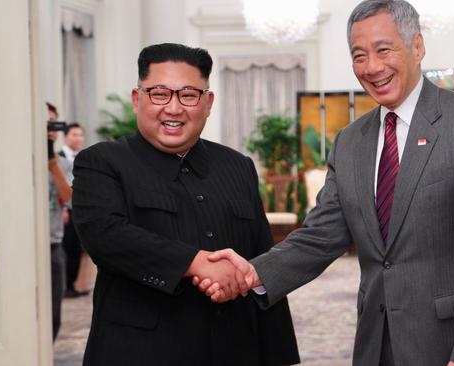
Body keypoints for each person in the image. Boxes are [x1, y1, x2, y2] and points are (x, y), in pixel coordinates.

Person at [197, 1, 454, 365]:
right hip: (375, 344)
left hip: (449, 346)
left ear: (417, 47)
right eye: (359, 55)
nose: (372, 67)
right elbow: (321, 235)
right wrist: (251, 272)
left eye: (384, 50)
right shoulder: (350, 141)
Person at [71, 43, 299, 366]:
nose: (174, 108)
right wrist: (196, 262)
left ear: (207, 103)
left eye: (189, 95)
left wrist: (279, 354)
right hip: (140, 352)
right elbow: (106, 236)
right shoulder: (102, 163)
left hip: (234, 349)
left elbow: (261, 256)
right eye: (159, 93)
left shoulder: (238, 166)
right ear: (137, 100)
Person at [46, 102, 73, 341]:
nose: (50, 129)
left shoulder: (62, 163)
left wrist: (53, 166)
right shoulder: (15, 162)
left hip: (53, 244)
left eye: (53, 123)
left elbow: (70, 199)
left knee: (53, 312)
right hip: (24, 246)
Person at [59, 123, 89, 298]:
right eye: (74, 135)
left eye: (80, 135)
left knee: (76, 249)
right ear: (65, 136)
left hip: (79, 210)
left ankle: (71, 286)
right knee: (66, 249)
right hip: (64, 211)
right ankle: (65, 286)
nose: (78, 138)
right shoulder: (56, 158)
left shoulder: (85, 157)